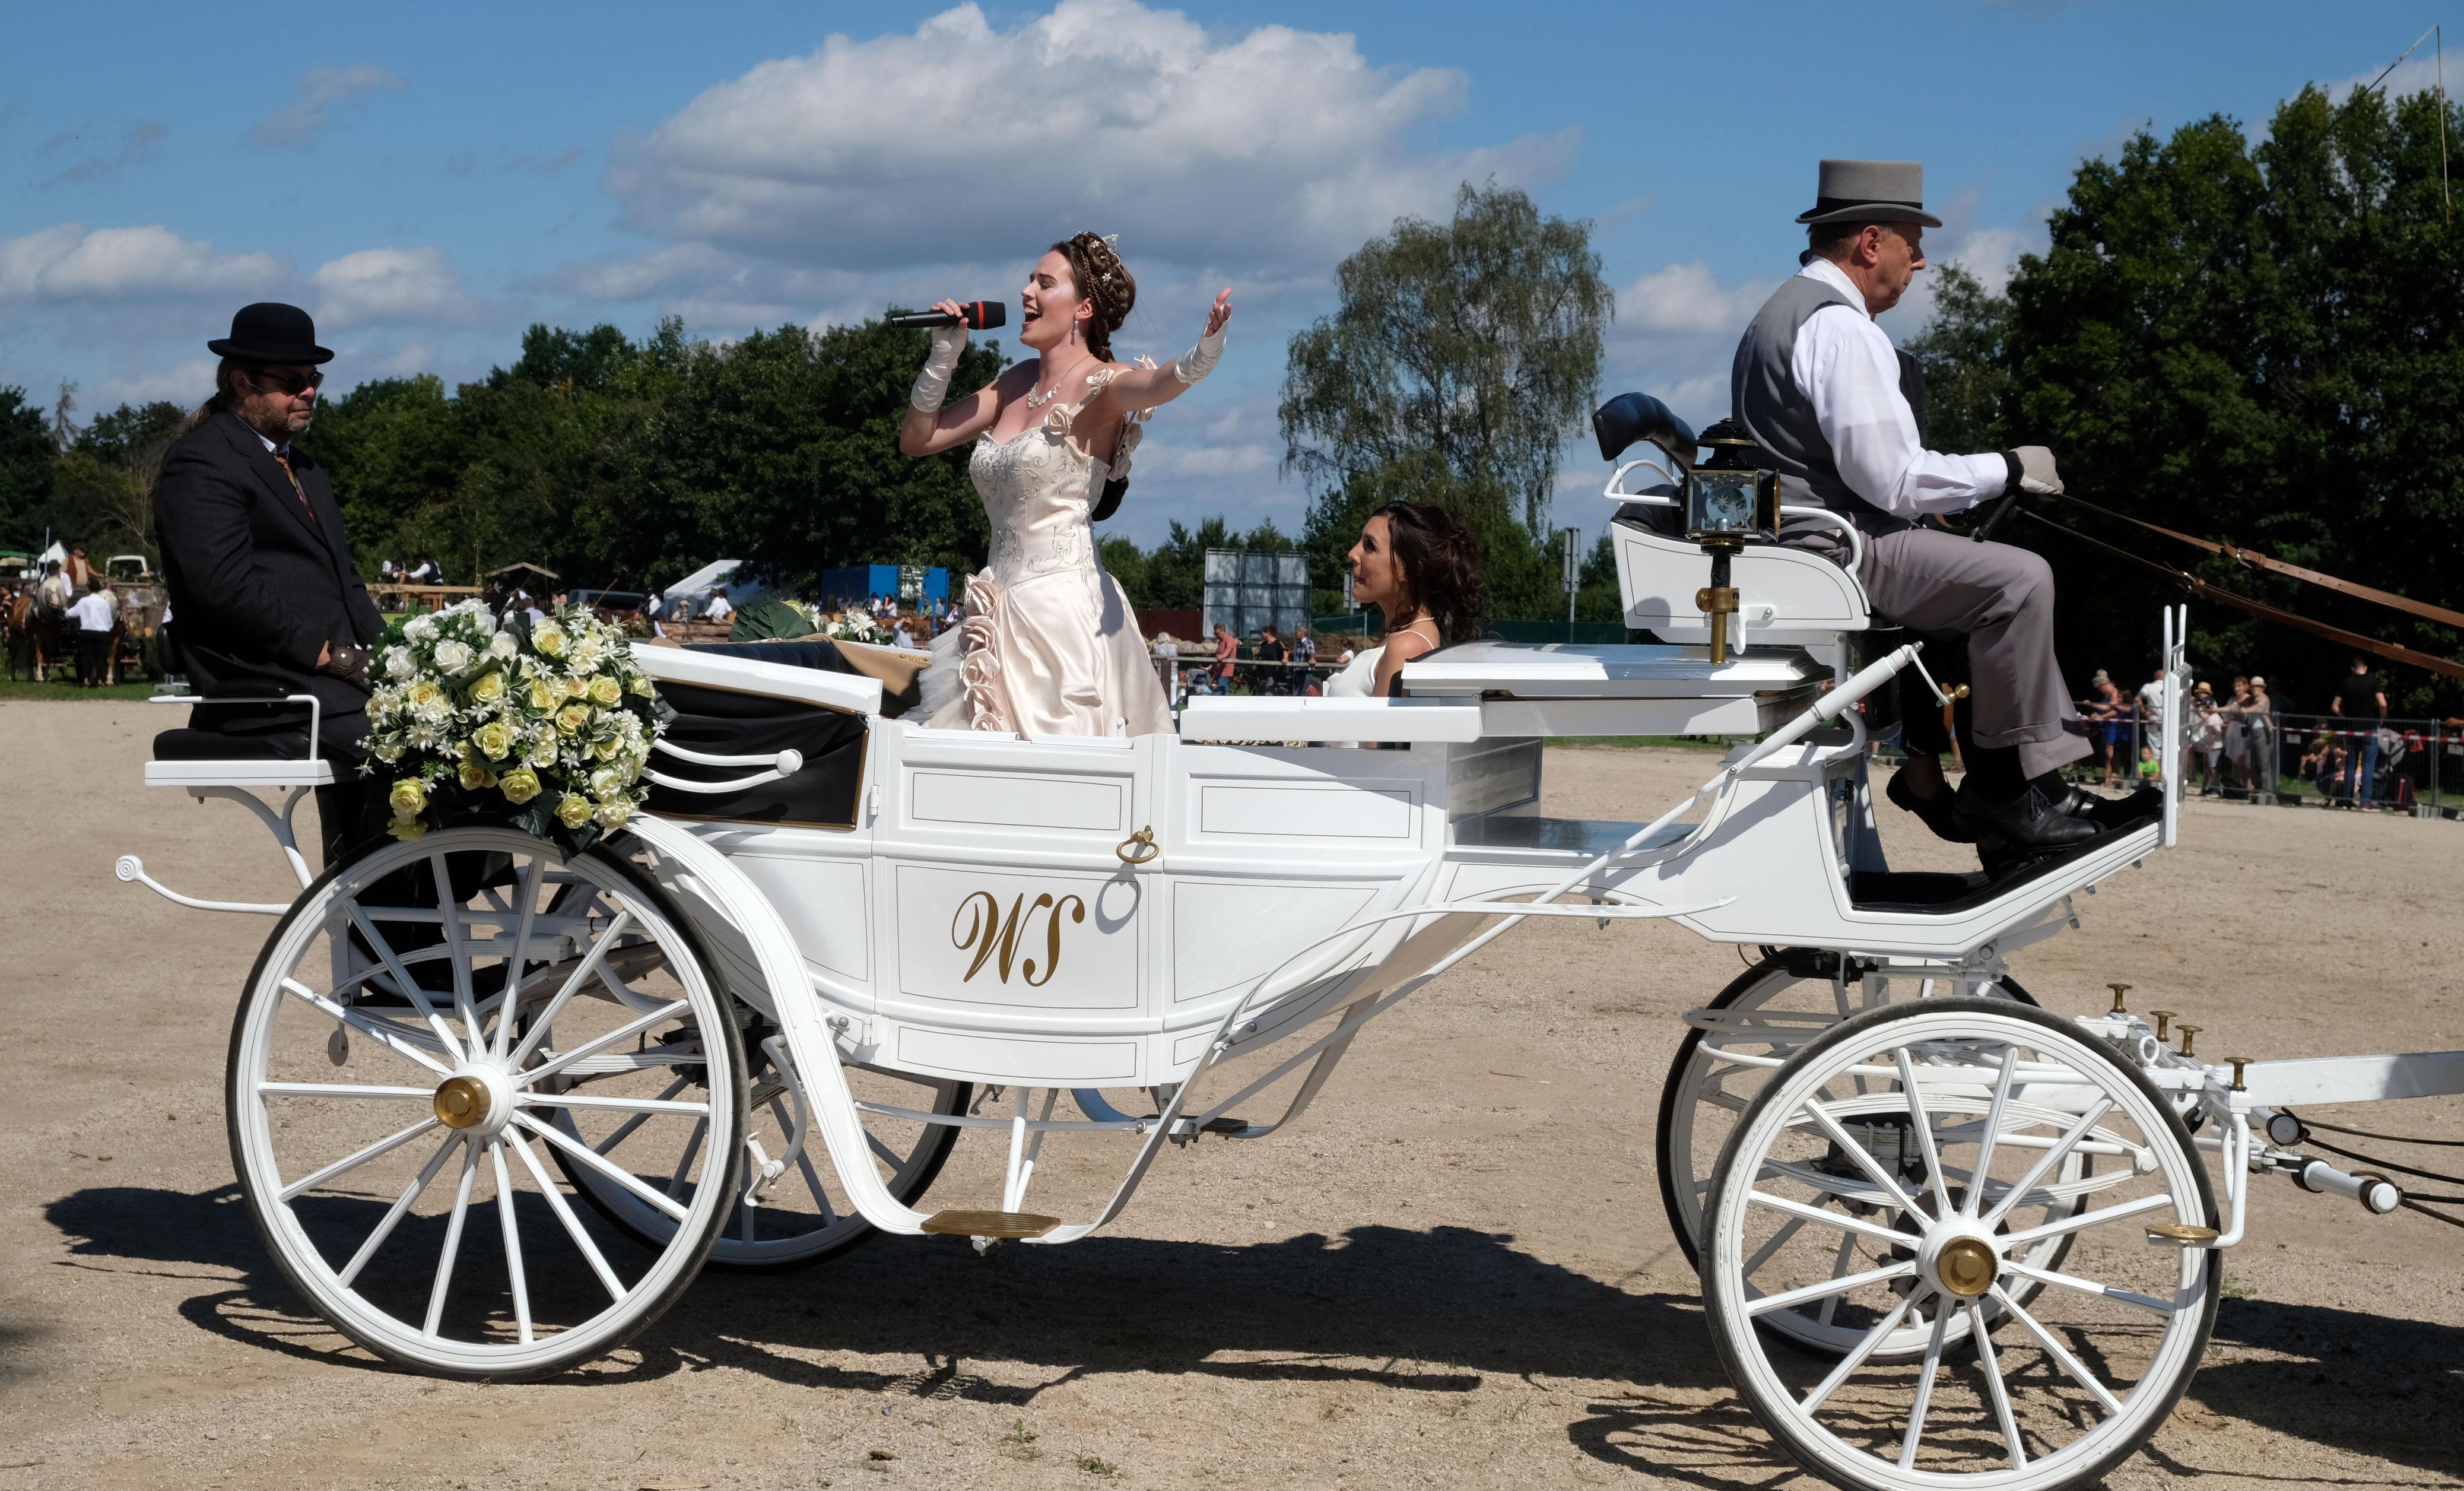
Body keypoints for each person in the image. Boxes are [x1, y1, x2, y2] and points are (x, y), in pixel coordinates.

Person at [1733, 158, 2106, 852]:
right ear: (1871, 243)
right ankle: (2001, 792)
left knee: (1988, 574)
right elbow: (1895, 480)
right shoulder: (1843, 330)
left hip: (1809, 535)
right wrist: (2012, 466)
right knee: (2021, 581)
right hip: (1840, 545)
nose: (1923, 261)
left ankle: (2038, 783)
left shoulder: (1779, 313)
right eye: (1913, 242)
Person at [902, 233, 1231, 737]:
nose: (1026, 293)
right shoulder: (1014, 382)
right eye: (1030, 280)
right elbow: (918, 440)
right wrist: (943, 358)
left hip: (1060, 615)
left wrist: (1206, 348)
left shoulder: (1103, 384)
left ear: (1083, 309)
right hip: (997, 611)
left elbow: (1161, 384)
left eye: (1044, 283)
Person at [153, 302, 382, 863]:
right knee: (407, 748)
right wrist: (329, 657)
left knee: (451, 724)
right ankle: (388, 916)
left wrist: (397, 656)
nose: (307, 392)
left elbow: (345, 581)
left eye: (313, 380)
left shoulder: (305, 469)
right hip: (262, 683)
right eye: (292, 382)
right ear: (242, 383)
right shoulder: (201, 464)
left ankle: (429, 902)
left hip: (330, 678)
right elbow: (226, 591)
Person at [1323, 502, 1485, 712]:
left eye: (1370, 546)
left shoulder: (1407, 646)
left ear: (1409, 569)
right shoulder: (1399, 638)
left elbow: (1379, 743)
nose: (1353, 554)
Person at [2330, 657, 2386, 807]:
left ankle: (2346, 800)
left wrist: (2347, 717)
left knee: (2351, 765)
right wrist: (2381, 718)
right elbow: (2383, 703)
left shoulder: (2346, 683)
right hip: (2369, 728)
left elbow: (2335, 707)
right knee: (2368, 765)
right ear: (2366, 668)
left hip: (2352, 729)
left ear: (2353, 669)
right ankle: (2366, 801)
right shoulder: (2373, 682)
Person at [66, 576, 115, 687]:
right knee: (100, 656)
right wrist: (108, 628)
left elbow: (71, 613)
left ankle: (86, 680)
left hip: (87, 631)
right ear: (99, 589)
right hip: (101, 632)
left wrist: (64, 612)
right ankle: (99, 680)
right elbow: (109, 621)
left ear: (88, 589)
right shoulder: (104, 603)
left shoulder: (84, 601)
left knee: (86, 656)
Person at [1255, 624, 1289, 695]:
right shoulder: (1264, 644)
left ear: (1267, 633)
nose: (1262, 635)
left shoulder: (1277, 643)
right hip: (1263, 675)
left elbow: (1285, 652)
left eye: (1263, 634)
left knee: (1268, 694)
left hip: (1272, 674)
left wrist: (1285, 659)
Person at [1293, 624, 1318, 694]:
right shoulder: (1299, 644)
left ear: (1302, 633)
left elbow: (1311, 651)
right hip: (1299, 671)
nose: (1296, 634)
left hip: (1306, 672)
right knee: (1297, 693)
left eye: (1297, 632)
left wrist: (1312, 659)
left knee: (1302, 692)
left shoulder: (1308, 642)